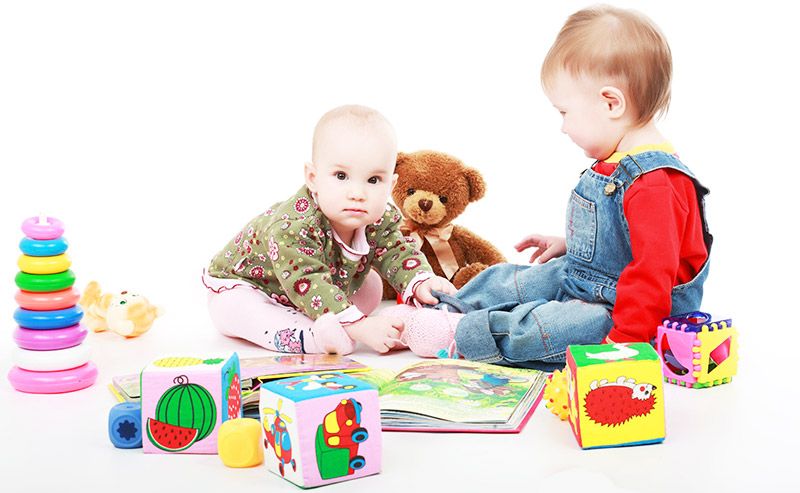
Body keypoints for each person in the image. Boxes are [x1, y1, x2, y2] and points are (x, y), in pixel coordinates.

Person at [382, 5, 713, 370]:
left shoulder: (655, 183)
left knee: (554, 326)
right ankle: (442, 303)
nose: (563, 127)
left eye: (565, 112)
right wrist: (575, 246)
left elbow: (653, 275)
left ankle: (459, 334)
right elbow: (627, 240)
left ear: (611, 103)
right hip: (591, 277)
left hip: (629, 313)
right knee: (515, 281)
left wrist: (623, 348)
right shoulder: (620, 162)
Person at [204, 105, 456, 355]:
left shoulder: (379, 219)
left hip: (310, 290)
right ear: (313, 178)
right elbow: (306, 278)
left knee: (372, 287)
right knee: (235, 309)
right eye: (341, 176)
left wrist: (421, 280)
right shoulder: (294, 226)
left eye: (373, 180)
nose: (357, 194)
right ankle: (311, 338)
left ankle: (338, 319)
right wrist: (358, 324)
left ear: (391, 184)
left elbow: (397, 253)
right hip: (250, 285)